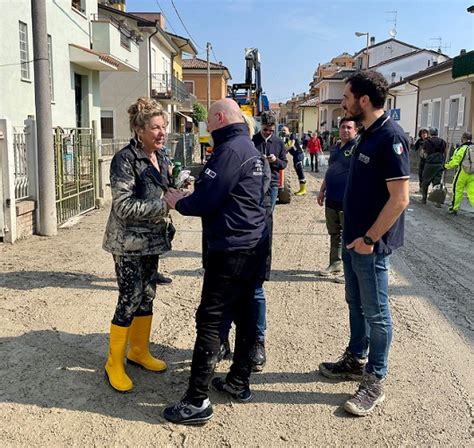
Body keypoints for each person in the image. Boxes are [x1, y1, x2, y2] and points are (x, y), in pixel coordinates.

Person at [162, 98, 268, 425]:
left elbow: (207, 199)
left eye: (208, 122)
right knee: (247, 316)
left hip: (231, 250)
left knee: (210, 319)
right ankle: (239, 381)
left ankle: (196, 401)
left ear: (221, 118)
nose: (206, 128)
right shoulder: (249, 149)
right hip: (252, 248)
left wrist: (179, 202)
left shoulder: (230, 150)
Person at [319, 71, 410, 416]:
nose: (342, 102)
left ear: (364, 100)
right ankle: (355, 359)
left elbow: (400, 199)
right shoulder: (366, 135)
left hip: (371, 245)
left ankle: (375, 379)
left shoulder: (390, 137)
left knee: (377, 312)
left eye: (346, 96)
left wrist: (371, 238)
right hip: (353, 239)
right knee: (354, 304)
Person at [102, 97, 174, 393]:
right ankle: (113, 362)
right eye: (156, 127)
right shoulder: (125, 159)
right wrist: (164, 204)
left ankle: (138, 351)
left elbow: (164, 190)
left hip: (152, 241)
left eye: (164, 127)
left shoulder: (163, 156)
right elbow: (123, 206)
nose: (162, 133)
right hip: (128, 243)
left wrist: (178, 191)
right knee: (129, 298)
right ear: (139, 130)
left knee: (147, 296)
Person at [217, 111, 280, 371]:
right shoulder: (227, 154)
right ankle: (222, 340)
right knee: (222, 291)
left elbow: (262, 204)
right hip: (226, 240)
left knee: (254, 291)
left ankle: (257, 343)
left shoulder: (254, 158)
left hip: (254, 238)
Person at [317, 118, 358, 279]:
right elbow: (330, 172)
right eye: (343, 127)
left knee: (349, 235)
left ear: (355, 131)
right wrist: (321, 191)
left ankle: (351, 272)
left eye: (349, 127)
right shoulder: (335, 149)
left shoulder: (357, 148)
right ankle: (335, 264)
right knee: (334, 233)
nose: (346, 130)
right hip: (331, 198)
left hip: (347, 200)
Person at [444, 132, 474, 214]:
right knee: (472, 193)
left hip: (462, 172)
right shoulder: (473, 148)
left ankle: (454, 208)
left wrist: (446, 166)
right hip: (472, 174)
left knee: (457, 190)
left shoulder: (461, 149)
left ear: (463, 138)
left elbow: (455, 162)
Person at [420, 127, 446, 204]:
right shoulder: (442, 142)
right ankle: (437, 202)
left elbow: (424, 152)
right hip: (439, 164)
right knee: (437, 182)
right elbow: (445, 152)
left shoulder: (427, 142)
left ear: (430, 133)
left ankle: (424, 199)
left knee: (425, 181)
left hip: (430, 164)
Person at [282, 126, 307, 195]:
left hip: (298, 154)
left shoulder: (292, 135)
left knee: (300, 170)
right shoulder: (286, 139)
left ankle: (303, 189)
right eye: (282, 130)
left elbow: (292, 144)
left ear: (288, 130)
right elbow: (286, 147)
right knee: (298, 171)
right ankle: (302, 189)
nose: (283, 132)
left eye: (284, 130)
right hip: (295, 156)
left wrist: (285, 150)